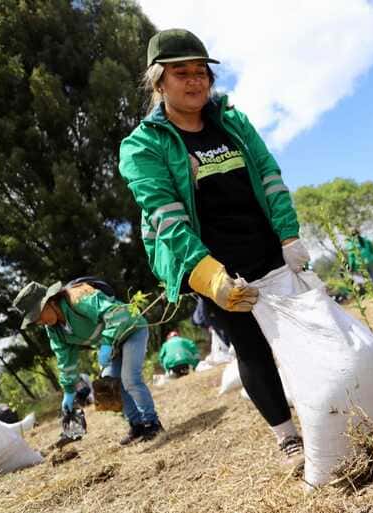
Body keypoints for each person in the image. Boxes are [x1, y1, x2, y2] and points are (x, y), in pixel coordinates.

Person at [118, 29, 309, 465]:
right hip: (212, 259)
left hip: (265, 244)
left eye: (201, 71)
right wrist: (209, 276)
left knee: (305, 329)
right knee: (249, 343)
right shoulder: (144, 146)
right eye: (180, 72)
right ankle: (287, 437)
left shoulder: (233, 123)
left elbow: (269, 176)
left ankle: (330, 407)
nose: (194, 81)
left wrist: (290, 234)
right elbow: (166, 217)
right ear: (158, 82)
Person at [12, 280, 163, 444]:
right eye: (35, 320)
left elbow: (117, 314)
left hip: (131, 330)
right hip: (112, 345)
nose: (40, 322)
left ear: (51, 301)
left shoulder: (79, 298)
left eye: (39, 315)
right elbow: (65, 360)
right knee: (113, 384)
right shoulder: (54, 330)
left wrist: (106, 344)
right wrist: (69, 391)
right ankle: (137, 425)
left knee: (130, 379)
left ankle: (152, 423)